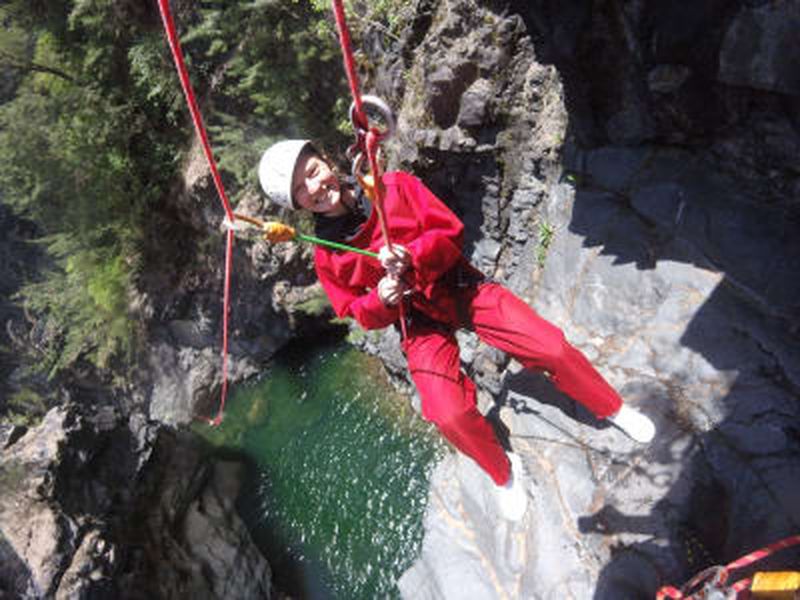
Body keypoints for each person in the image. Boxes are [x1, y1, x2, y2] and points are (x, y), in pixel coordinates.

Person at [257, 139, 656, 521]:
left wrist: (412, 254)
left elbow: (450, 231)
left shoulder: (392, 187)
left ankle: (612, 406)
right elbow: (357, 312)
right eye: (300, 190)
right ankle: (502, 470)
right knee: (446, 414)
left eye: (312, 171)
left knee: (550, 348)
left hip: (457, 284)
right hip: (415, 319)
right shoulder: (328, 255)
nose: (314, 187)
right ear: (296, 205)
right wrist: (382, 297)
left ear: (325, 160)